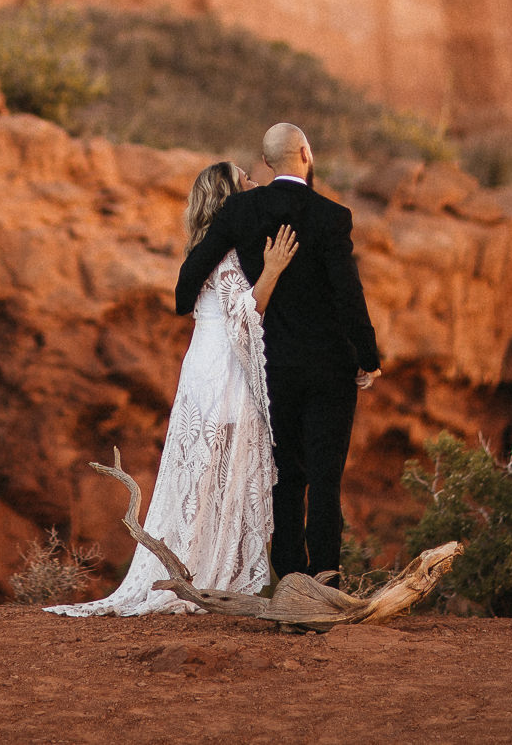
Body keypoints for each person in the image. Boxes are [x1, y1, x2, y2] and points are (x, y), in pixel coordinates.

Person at [48, 161, 296, 615]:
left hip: (203, 367)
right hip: (223, 369)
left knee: (203, 471)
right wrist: (275, 269)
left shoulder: (207, 247)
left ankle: (199, 570)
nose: (254, 186)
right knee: (218, 469)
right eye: (245, 181)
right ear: (229, 197)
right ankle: (206, 575)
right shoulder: (226, 256)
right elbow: (243, 311)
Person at [173, 123, 380, 579]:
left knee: (287, 480)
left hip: (273, 370)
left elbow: (187, 285)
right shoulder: (332, 216)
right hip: (329, 368)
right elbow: (349, 294)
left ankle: (289, 583)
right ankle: (325, 584)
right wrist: (368, 357)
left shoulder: (242, 209)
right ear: (306, 153)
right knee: (326, 482)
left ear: (266, 163)